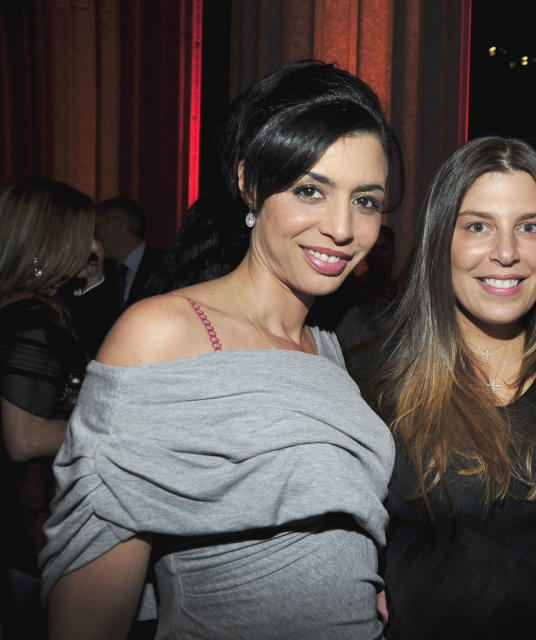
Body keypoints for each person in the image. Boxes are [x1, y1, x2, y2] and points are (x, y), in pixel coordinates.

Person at [40, 60, 398, 639]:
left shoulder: (329, 348)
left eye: (366, 200)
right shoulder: (162, 333)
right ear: (249, 184)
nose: (342, 227)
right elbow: (88, 615)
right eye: (311, 190)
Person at [369, 137, 536, 639]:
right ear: (438, 240)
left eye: (530, 227)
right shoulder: (376, 372)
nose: (507, 253)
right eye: (477, 227)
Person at [0, 177, 97, 636]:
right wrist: (113, 425)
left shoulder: (17, 307)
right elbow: (23, 438)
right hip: (23, 521)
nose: (94, 245)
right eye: (84, 234)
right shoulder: (33, 319)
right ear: (54, 242)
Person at [95, 197, 165, 307]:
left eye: (98, 225)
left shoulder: (164, 266)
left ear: (116, 225)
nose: (95, 234)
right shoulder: (100, 269)